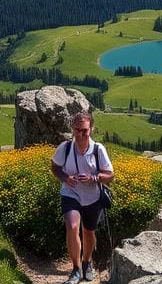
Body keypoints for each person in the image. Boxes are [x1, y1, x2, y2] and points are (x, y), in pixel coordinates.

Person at [50, 111, 113, 284]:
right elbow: (55, 167)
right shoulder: (65, 148)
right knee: (72, 225)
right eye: (77, 130)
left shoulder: (98, 149)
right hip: (70, 193)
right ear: (73, 129)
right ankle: (76, 269)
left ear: (90, 129)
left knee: (89, 231)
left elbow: (110, 175)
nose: (80, 134)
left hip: (92, 196)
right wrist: (65, 178)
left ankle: (87, 262)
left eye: (84, 130)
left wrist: (94, 178)